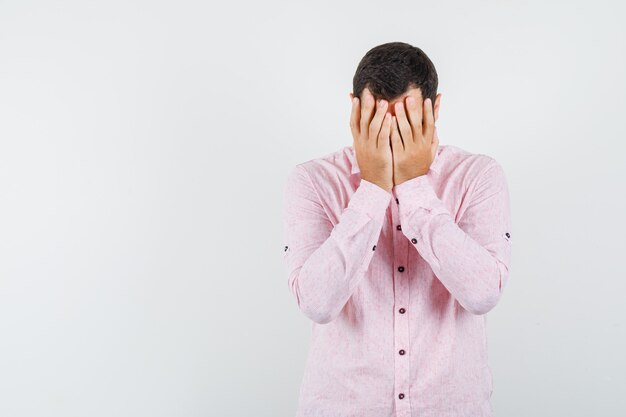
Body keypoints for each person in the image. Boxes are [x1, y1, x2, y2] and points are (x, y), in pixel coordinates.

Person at [281, 41, 512, 417]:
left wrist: (413, 185)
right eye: (378, 120)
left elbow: (483, 293)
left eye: (407, 121)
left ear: (434, 109)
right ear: (355, 110)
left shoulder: (478, 176)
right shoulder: (312, 180)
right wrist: (372, 188)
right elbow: (317, 303)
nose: (392, 136)